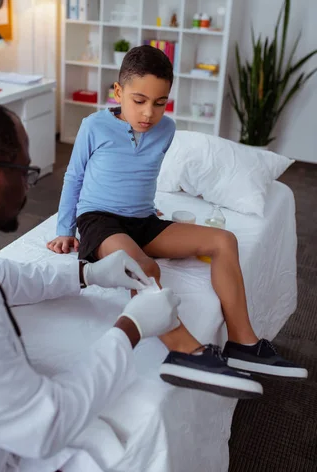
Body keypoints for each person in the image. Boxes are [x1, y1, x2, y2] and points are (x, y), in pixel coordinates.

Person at [0, 94, 182, 472]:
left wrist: (87, 274)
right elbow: (48, 424)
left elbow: (1, 276)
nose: (29, 187)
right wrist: (132, 328)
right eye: (25, 173)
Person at [48, 45, 307, 399]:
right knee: (142, 267)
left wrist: (147, 205)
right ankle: (186, 352)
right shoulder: (93, 126)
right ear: (118, 92)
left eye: (159, 102)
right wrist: (64, 230)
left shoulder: (166, 129)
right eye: (139, 100)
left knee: (223, 240)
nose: (148, 113)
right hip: (100, 221)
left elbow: (140, 173)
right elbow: (73, 178)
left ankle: (243, 343)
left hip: (141, 219)